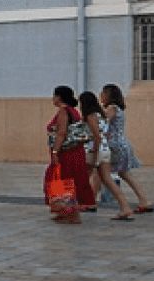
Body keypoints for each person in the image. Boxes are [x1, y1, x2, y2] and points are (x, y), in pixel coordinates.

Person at [77, 90, 133, 220]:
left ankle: (74, 205)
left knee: (81, 178)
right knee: (107, 180)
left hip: (95, 151)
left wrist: (94, 154)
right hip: (105, 149)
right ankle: (125, 207)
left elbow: (96, 136)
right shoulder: (101, 114)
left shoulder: (90, 116)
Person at [100, 83, 153, 214]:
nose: (101, 96)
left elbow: (104, 122)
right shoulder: (119, 108)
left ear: (109, 96)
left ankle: (96, 201)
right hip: (121, 144)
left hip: (114, 145)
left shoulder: (112, 108)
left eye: (103, 94)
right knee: (124, 174)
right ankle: (144, 200)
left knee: (102, 172)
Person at [44, 86, 86, 223]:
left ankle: (71, 214)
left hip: (66, 152)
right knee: (66, 180)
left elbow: (61, 133)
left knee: (63, 180)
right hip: (74, 151)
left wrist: (55, 151)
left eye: (54, 95)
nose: (53, 98)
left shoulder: (63, 111)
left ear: (59, 97)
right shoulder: (73, 111)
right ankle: (65, 212)